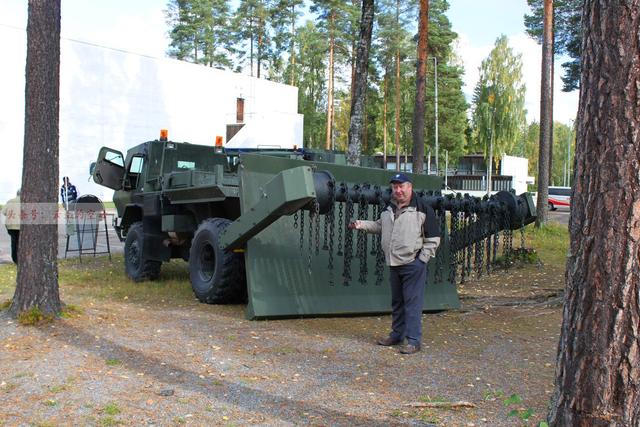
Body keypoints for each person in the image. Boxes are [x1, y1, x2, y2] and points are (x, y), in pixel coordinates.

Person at [349, 173, 440, 355]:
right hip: (394, 263)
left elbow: (433, 238)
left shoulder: (422, 210)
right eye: (395, 187)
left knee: (412, 304)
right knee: (397, 302)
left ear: (410, 187)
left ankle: (413, 341)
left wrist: (421, 260)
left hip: (412, 264)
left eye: (401, 186)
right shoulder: (389, 208)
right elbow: (380, 226)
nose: (398, 190)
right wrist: (361, 225)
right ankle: (397, 335)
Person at [2, 190, 21, 264]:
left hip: (11, 226)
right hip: (21, 226)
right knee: (21, 242)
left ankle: (15, 259)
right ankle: (20, 259)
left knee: (14, 242)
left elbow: (3, 212)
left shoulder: (10, 201)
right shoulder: (26, 201)